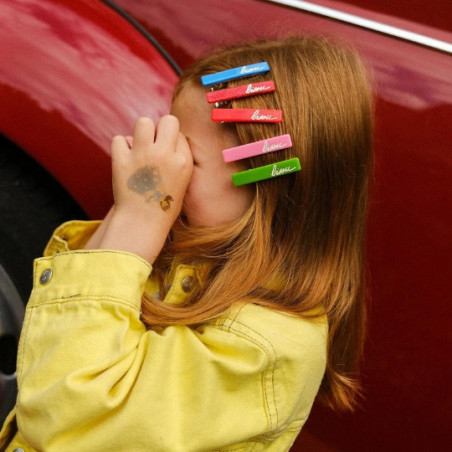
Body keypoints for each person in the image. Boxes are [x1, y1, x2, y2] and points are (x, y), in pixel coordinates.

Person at [0, 35, 373, 451]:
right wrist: (136, 213)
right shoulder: (185, 256)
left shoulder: (263, 348)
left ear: (269, 187)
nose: (165, 167)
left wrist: (139, 214)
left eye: (188, 158)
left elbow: (65, 419)